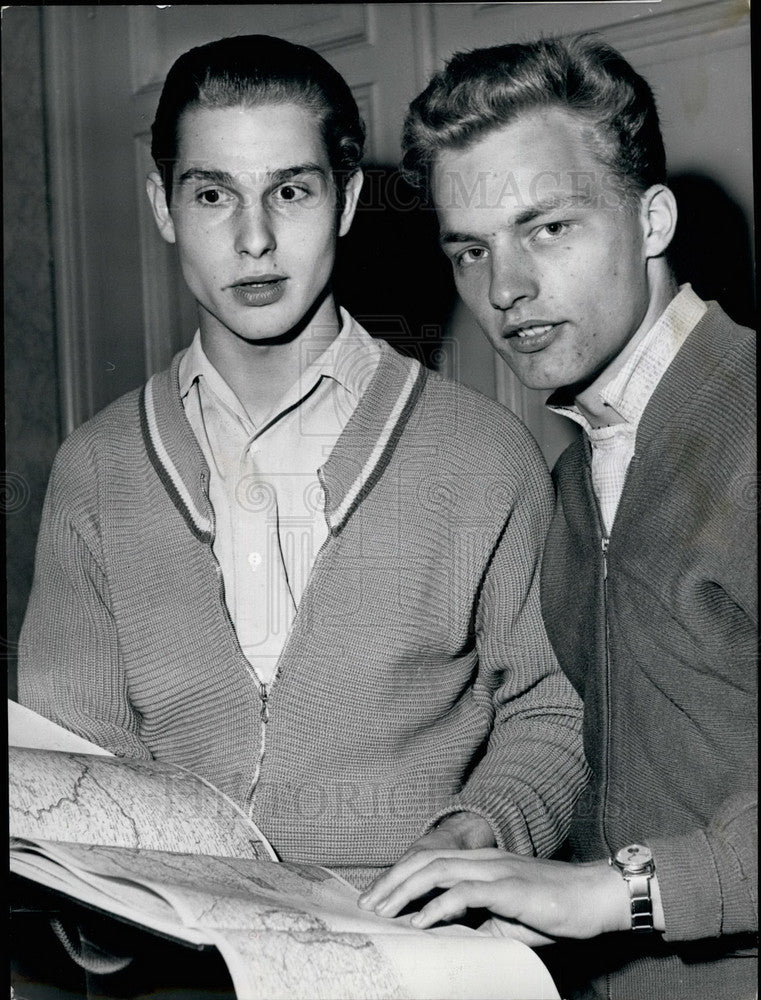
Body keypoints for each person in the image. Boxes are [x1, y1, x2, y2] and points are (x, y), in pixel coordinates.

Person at [18, 34, 588, 890]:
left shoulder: (481, 453)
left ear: (348, 200)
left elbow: (549, 708)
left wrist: (484, 828)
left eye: (290, 190)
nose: (255, 239)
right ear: (163, 206)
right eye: (213, 194)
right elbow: (72, 761)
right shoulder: (95, 470)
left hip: (416, 942)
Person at [358, 34, 757, 997]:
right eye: (471, 250)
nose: (505, 291)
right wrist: (487, 831)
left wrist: (606, 895)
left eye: (547, 229)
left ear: (651, 219)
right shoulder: (576, 473)